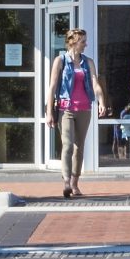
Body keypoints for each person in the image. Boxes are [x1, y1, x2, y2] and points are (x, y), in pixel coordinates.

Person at [46, 28, 105, 199]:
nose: (86, 44)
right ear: (73, 42)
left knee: (79, 147)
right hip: (66, 109)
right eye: (83, 41)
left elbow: (95, 83)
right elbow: (52, 87)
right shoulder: (60, 61)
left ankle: (74, 183)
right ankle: (66, 182)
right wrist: (49, 111)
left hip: (84, 109)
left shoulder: (88, 62)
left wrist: (101, 101)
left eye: (85, 41)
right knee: (68, 144)